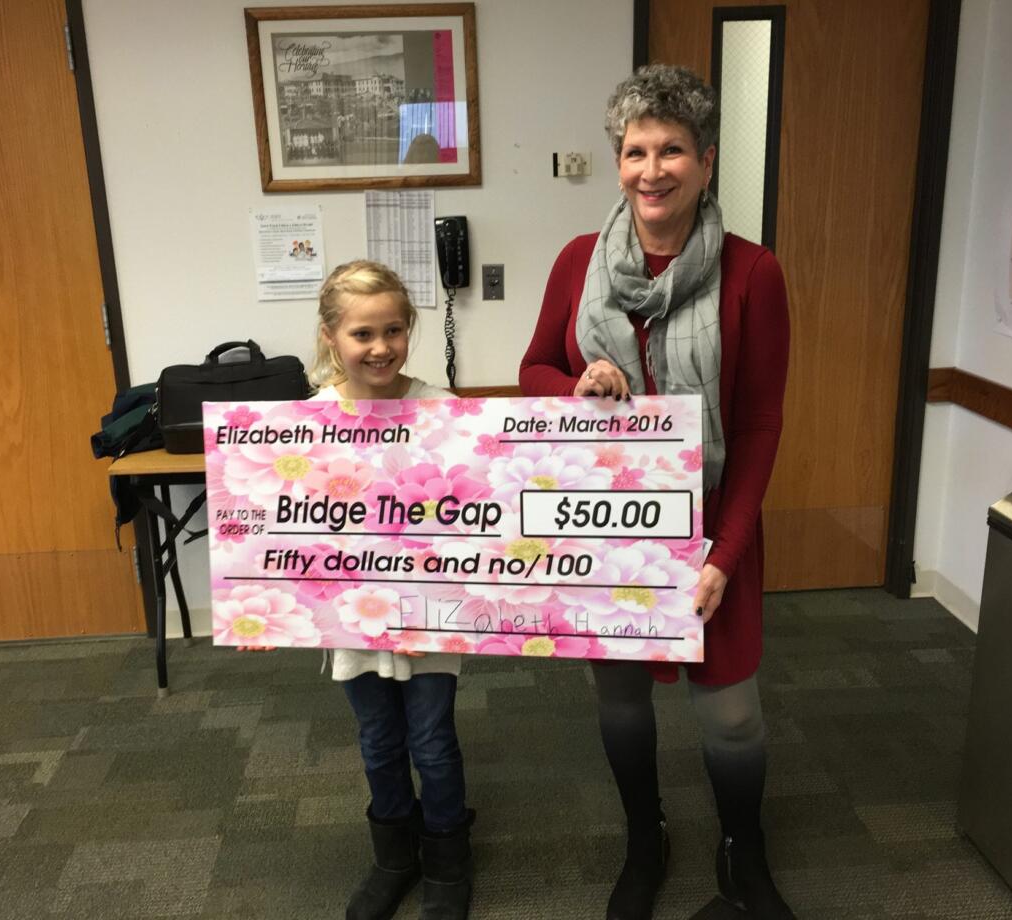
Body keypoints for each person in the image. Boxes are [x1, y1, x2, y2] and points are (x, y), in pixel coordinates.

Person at [519, 65, 793, 920]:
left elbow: (756, 430)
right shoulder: (578, 263)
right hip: (611, 530)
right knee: (622, 697)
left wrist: (726, 552)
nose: (652, 169)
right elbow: (532, 369)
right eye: (636, 150)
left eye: (672, 149)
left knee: (732, 716)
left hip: (713, 528)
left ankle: (742, 850)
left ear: (707, 163)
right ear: (619, 161)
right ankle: (648, 837)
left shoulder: (753, 274)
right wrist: (572, 388)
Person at [311, 260, 474, 920]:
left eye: (395, 330)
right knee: (378, 740)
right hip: (352, 614)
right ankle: (395, 857)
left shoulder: (442, 411)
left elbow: (479, 507)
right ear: (330, 337)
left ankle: (447, 860)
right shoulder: (305, 423)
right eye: (362, 334)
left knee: (432, 741)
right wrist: (257, 614)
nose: (380, 347)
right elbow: (280, 525)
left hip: (430, 612)